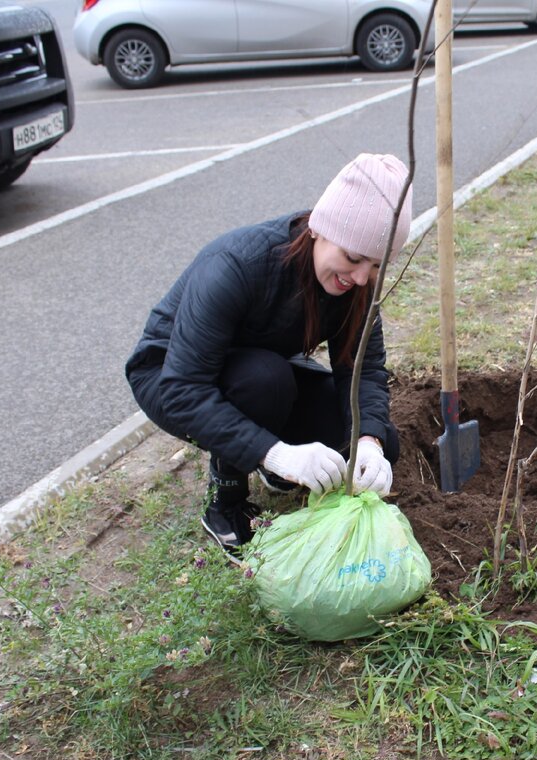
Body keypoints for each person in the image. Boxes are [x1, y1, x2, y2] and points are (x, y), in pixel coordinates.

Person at [125, 153, 412, 563]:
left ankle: (272, 465)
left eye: (376, 264)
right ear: (320, 229)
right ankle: (225, 503)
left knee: (383, 441)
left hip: (262, 369)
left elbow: (363, 370)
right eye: (352, 257)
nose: (362, 277)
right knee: (264, 381)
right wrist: (277, 451)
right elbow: (182, 389)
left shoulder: (357, 286)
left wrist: (368, 442)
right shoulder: (237, 266)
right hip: (171, 377)